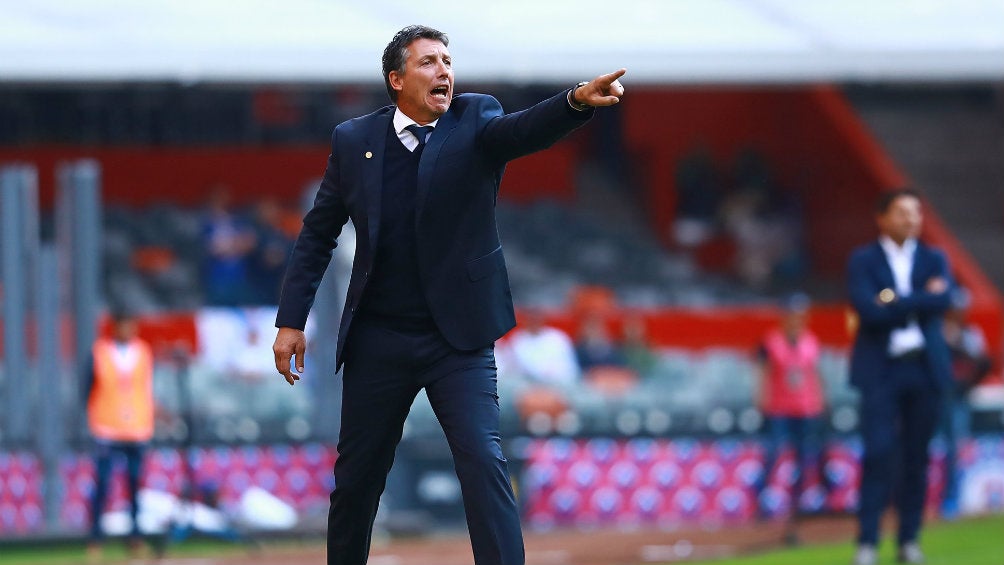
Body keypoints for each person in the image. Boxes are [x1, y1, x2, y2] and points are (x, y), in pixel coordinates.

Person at [271, 25, 626, 565]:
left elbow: (523, 131)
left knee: (484, 460)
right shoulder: (353, 139)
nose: (444, 71)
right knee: (357, 481)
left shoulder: (475, 118)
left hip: (456, 339)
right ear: (397, 79)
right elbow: (318, 233)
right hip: (379, 337)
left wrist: (574, 102)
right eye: (428, 62)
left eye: (447, 61)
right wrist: (291, 321)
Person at [847, 188, 954, 565]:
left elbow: (944, 301)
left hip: (924, 370)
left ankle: (909, 539)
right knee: (878, 453)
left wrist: (893, 298)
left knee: (917, 458)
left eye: (916, 213)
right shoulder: (863, 260)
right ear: (882, 217)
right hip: (881, 371)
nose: (911, 219)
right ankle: (867, 542)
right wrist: (919, 299)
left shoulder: (934, 257)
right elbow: (867, 310)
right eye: (903, 212)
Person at [83, 311, 155, 560]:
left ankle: (135, 538)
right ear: (114, 327)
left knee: (135, 485)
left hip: (137, 427)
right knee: (103, 484)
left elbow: (146, 388)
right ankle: (95, 539)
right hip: (107, 427)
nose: (127, 330)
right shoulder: (100, 352)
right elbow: (87, 388)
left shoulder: (143, 352)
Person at [753, 292, 826, 536]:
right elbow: (763, 371)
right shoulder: (771, 341)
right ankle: (763, 503)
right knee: (772, 454)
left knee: (804, 456)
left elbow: (815, 373)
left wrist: (820, 401)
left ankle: (798, 505)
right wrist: (761, 398)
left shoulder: (811, 341)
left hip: (806, 406)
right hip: (779, 407)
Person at [938, 288, 992, 519]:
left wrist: (967, 384)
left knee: (955, 447)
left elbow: (984, 362)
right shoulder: (937, 330)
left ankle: (952, 497)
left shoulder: (970, 334)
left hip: (958, 398)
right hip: (934, 396)